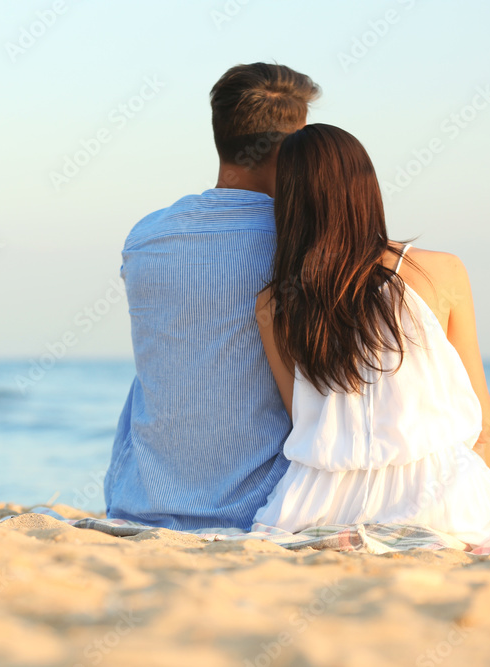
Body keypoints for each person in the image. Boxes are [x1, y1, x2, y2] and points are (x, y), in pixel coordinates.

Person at [253, 124, 490, 545]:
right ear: (366, 188)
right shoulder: (441, 271)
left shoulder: (273, 303)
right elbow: (484, 420)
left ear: (288, 203)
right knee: (477, 438)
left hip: (317, 501)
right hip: (436, 498)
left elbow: (301, 418)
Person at [103, 63, 321, 530]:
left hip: (138, 504)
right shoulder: (296, 242)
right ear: (290, 149)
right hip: (257, 510)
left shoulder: (146, 235)